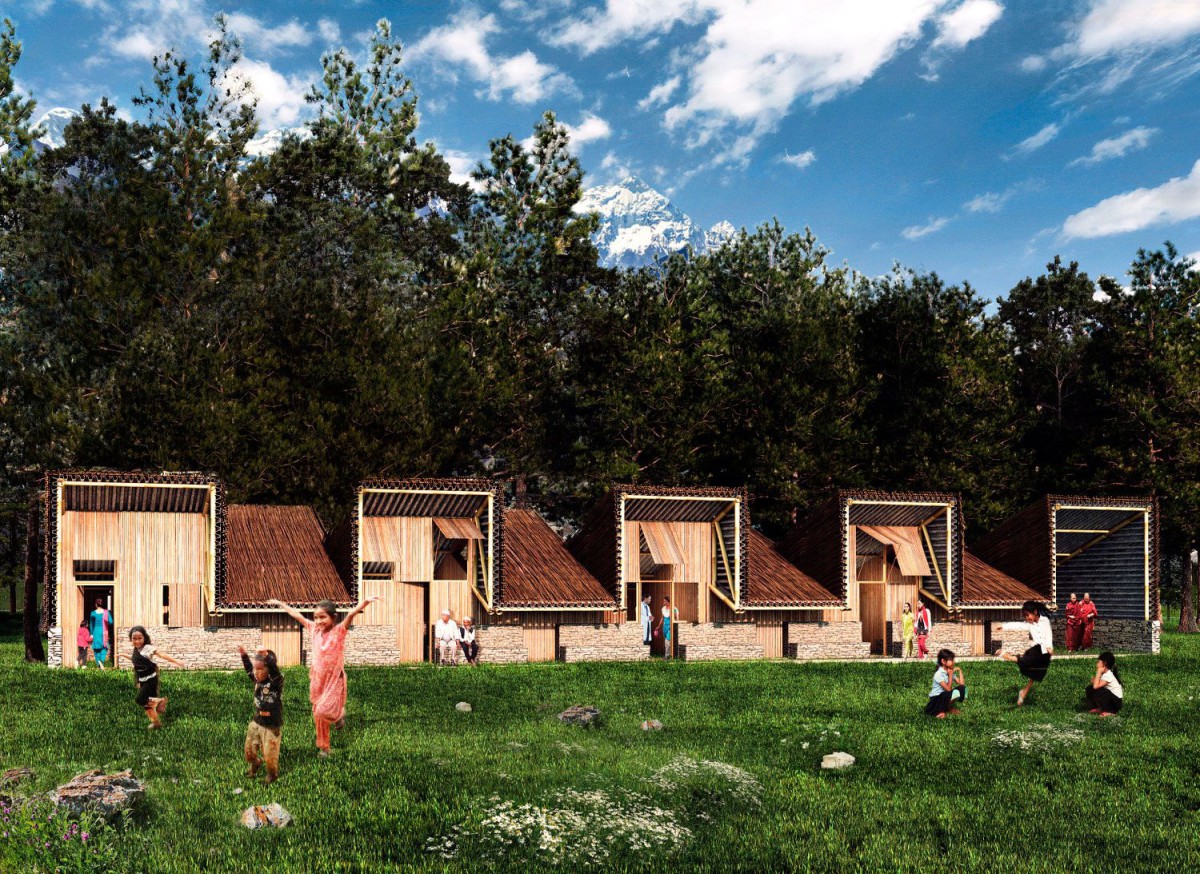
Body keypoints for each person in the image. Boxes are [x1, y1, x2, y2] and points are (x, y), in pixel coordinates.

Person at [267, 595, 381, 757]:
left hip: (334, 679)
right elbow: (296, 615)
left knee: (322, 712)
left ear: (333, 617)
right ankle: (324, 747)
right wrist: (280, 603)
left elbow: (351, 614)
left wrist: (366, 602)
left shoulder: (339, 631)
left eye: (323, 617)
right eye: (316, 618)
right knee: (318, 714)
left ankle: (338, 715)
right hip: (317, 679)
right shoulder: (313, 629)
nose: (319, 621)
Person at [117, 626, 184, 730]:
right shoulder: (136, 650)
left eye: (140, 638)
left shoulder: (148, 648)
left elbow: (161, 655)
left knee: (140, 699)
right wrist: (123, 655)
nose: (137, 641)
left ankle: (161, 701)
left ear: (144, 638)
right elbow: (135, 660)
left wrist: (176, 662)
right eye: (134, 638)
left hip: (151, 679)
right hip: (142, 679)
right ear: (131, 639)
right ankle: (156, 723)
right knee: (148, 705)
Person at [238, 645, 284, 784]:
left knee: (270, 755)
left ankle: (272, 774)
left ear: (269, 670)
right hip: (256, 722)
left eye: (260, 669)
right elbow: (248, 670)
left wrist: (267, 658)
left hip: (271, 726)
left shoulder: (276, 682)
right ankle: (255, 763)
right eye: (255, 668)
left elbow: (276, 672)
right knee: (249, 751)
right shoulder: (257, 681)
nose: (256, 672)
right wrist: (244, 655)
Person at [998, 600, 1054, 706]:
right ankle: (1008, 656)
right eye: (1025, 616)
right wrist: (1004, 626)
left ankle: (1024, 692)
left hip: (1045, 652)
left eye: (1027, 615)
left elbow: (1048, 634)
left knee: (1038, 673)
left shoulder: (1045, 620)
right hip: (1036, 649)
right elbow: (1018, 625)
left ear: (1035, 612)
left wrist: (1049, 647)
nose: (1026, 618)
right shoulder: (1029, 624)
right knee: (1026, 662)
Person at [925, 649, 967, 718]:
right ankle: (941, 711)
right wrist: (950, 675)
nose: (953, 662)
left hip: (944, 696)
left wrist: (960, 671)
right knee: (950, 693)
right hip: (936, 700)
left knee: (962, 689)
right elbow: (948, 690)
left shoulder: (949, 670)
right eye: (951, 660)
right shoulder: (938, 674)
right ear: (943, 661)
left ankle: (946, 708)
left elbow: (961, 684)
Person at [1085, 651, 1123, 717]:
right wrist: (1096, 680)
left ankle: (1110, 711)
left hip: (1116, 703)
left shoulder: (1108, 675)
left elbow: (1095, 686)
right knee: (1089, 689)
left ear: (1104, 663)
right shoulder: (1105, 674)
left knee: (1099, 691)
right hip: (1112, 699)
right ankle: (1100, 708)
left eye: (1098, 662)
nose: (1097, 663)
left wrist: (1098, 672)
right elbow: (1093, 681)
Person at [88, 597, 111, 670]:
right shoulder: (106, 612)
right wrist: (105, 618)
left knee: (96, 648)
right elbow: (111, 622)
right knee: (104, 647)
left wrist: (91, 634)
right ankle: (101, 662)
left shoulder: (92, 613)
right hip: (104, 631)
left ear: (96, 604)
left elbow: (91, 625)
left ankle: (99, 663)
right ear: (102, 604)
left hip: (96, 631)